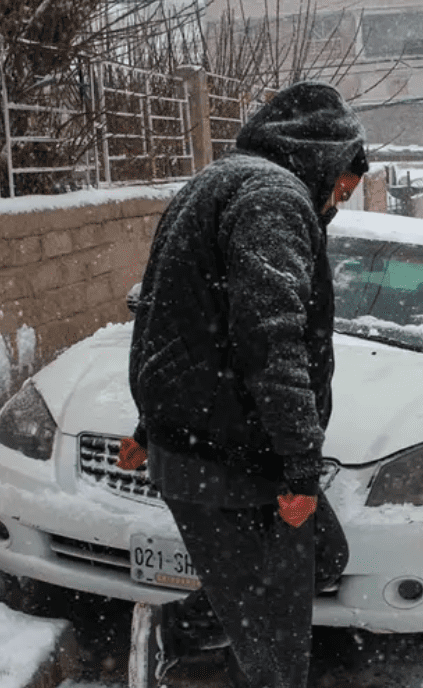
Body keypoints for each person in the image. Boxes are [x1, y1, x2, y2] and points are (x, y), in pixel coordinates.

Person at [126, 80, 369, 688]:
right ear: (321, 154)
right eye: (345, 180)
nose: (341, 196)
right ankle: (192, 641)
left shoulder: (219, 182)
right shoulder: (271, 198)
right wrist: (299, 471)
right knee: (279, 654)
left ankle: (183, 628)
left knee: (326, 556)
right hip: (235, 464)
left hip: (206, 445)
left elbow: (179, 324)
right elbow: (270, 340)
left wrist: (147, 428)